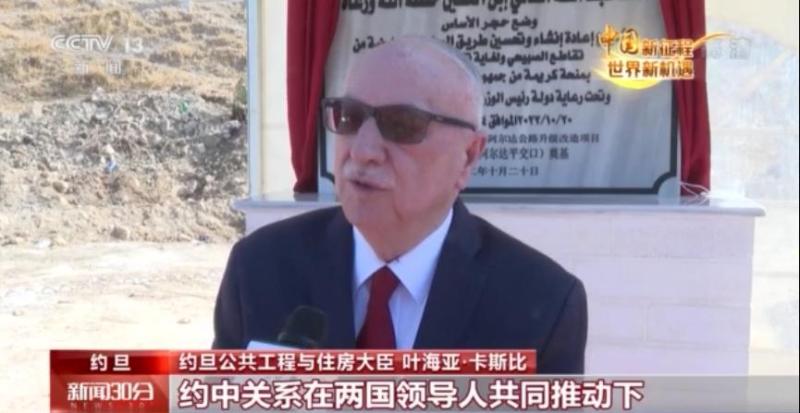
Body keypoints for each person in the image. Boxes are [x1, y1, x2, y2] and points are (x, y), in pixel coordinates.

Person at [213, 37, 587, 374]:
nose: (363, 151)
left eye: (403, 124)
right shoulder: (260, 268)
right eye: (349, 117)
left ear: (469, 156)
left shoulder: (542, 301)